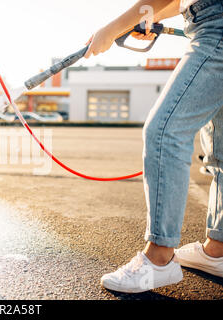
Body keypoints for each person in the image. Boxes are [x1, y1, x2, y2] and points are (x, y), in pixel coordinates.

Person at [84, 0, 223, 293]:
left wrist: (111, 29)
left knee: (165, 131)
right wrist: (150, 16)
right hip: (209, 18)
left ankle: (159, 259)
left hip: (217, 27)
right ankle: (218, 249)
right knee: (221, 149)